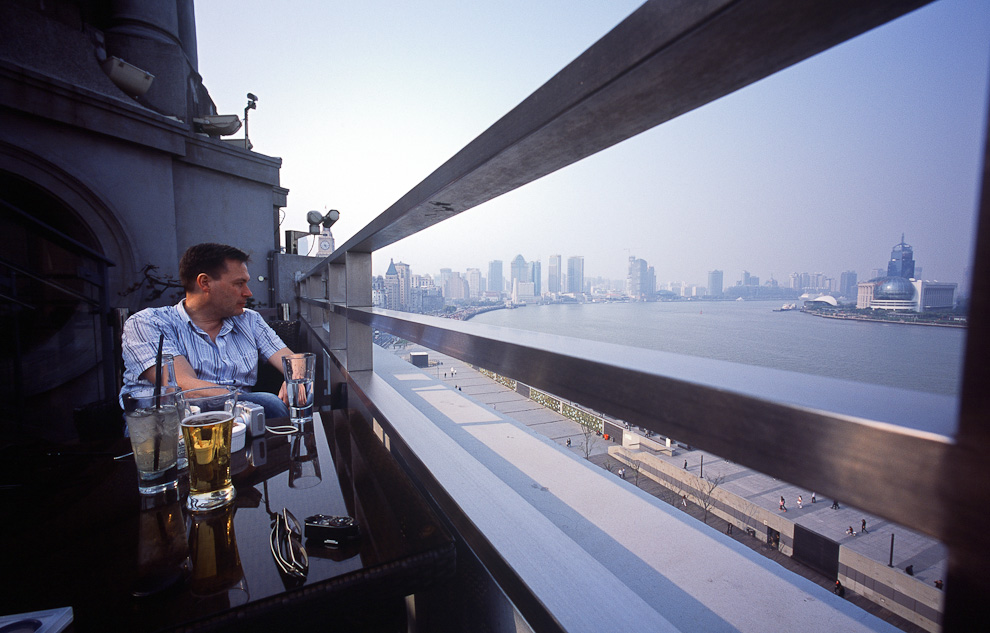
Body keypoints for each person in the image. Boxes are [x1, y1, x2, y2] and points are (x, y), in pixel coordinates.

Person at [121, 243, 292, 419]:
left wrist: (294, 378)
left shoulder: (249, 320)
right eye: (239, 284)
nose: (248, 293)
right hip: (169, 426)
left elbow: (292, 360)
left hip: (238, 419)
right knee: (269, 404)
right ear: (205, 283)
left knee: (269, 406)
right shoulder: (148, 323)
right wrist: (249, 402)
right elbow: (183, 388)